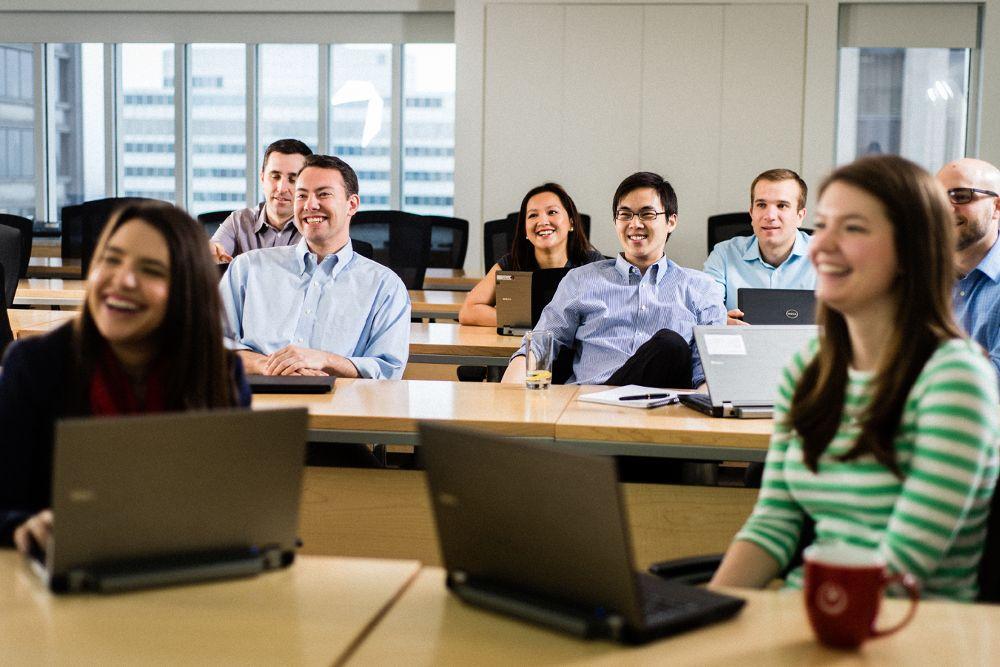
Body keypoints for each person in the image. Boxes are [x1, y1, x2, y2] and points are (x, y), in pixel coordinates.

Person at [711, 155, 999, 601]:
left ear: (910, 250)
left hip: (904, 630)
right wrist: (706, 616)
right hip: (814, 611)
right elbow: (773, 524)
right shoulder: (808, 367)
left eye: (853, 228)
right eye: (824, 226)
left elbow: (898, 569)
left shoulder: (956, 378)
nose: (820, 247)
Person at [0, 201, 251, 551]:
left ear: (186, 292)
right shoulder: (35, 366)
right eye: (111, 260)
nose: (123, 281)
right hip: (61, 579)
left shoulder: (220, 373)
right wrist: (22, 526)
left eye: (151, 270)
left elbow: (234, 511)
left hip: (178, 576)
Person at [502, 172, 725, 388]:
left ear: (671, 221)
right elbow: (540, 344)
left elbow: (710, 374)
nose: (634, 224)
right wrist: (508, 393)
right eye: (625, 215)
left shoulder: (702, 289)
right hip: (588, 406)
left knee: (671, 346)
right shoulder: (580, 280)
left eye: (647, 214)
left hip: (662, 415)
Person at [220, 154, 410, 379]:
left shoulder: (385, 286)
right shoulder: (247, 269)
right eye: (302, 195)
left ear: (352, 204)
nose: (310, 205)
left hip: (341, 407)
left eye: (324, 194)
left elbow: (388, 370)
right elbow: (209, 346)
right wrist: (267, 365)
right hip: (255, 405)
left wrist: (326, 360)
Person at [459, 183, 603, 327]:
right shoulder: (512, 264)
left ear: (571, 222)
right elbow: (468, 311)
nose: (542, 221)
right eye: (533, 215)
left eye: (552, 212)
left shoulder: (592, 264)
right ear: (525, 231)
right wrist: (535, 323)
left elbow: (614, 312)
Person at [703, 168, 815, 325]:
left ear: (800, 216)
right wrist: (720, 321)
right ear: (751, 213)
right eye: (761, 205)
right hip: (741, 347)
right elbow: (705, 310)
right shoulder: (724, 254)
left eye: (782, 205)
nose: (769, 216)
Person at [936, 158, 1000, 387]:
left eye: (961, 196)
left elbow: (991, 383)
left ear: (996, 207)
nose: (947, 207)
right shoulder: (919, 276)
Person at [209, 138, 313, 263]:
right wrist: (211, 252)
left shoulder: (314, 227)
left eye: (292, 179)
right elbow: (213, 250)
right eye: (275, 177)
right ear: (262, 178)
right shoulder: (239, 221)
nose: (281, 188)